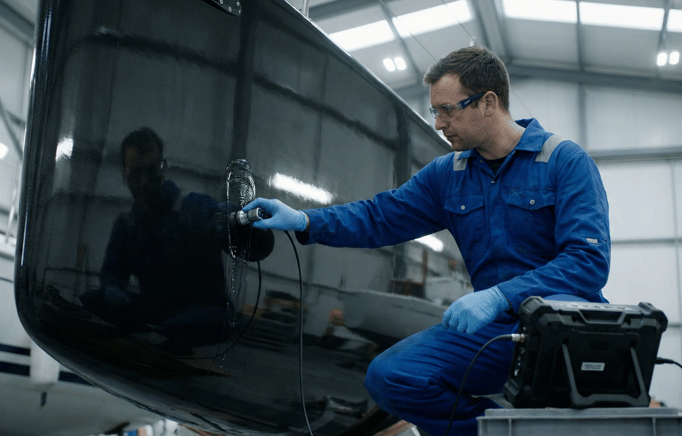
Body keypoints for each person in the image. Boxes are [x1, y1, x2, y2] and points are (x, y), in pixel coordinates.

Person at [242, 46, 610, 435]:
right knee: (391, 377)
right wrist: (304, 220)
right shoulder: (447, 175)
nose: (438, 123)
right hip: (497, 330)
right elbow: (379, 216)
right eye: (435, 111)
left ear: (488, 102)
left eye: (448, 110)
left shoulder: (564, 162)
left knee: (555, 340)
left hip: (562, 328)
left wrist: (500, 296)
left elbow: (587, 262)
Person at [83, 127, 273, 352]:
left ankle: (163, 336)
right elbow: (112, 272)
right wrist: (112, 288)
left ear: (163, 168)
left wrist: (242, 226)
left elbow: (258, 244)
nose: (143, 182)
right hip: (157, 310)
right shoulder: (126, 226)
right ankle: (160, 335)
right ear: (125, 175)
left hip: (205, 313)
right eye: (135, 174)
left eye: (151, 171)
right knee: (92, 299)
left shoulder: (193, 208)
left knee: (199, 323)